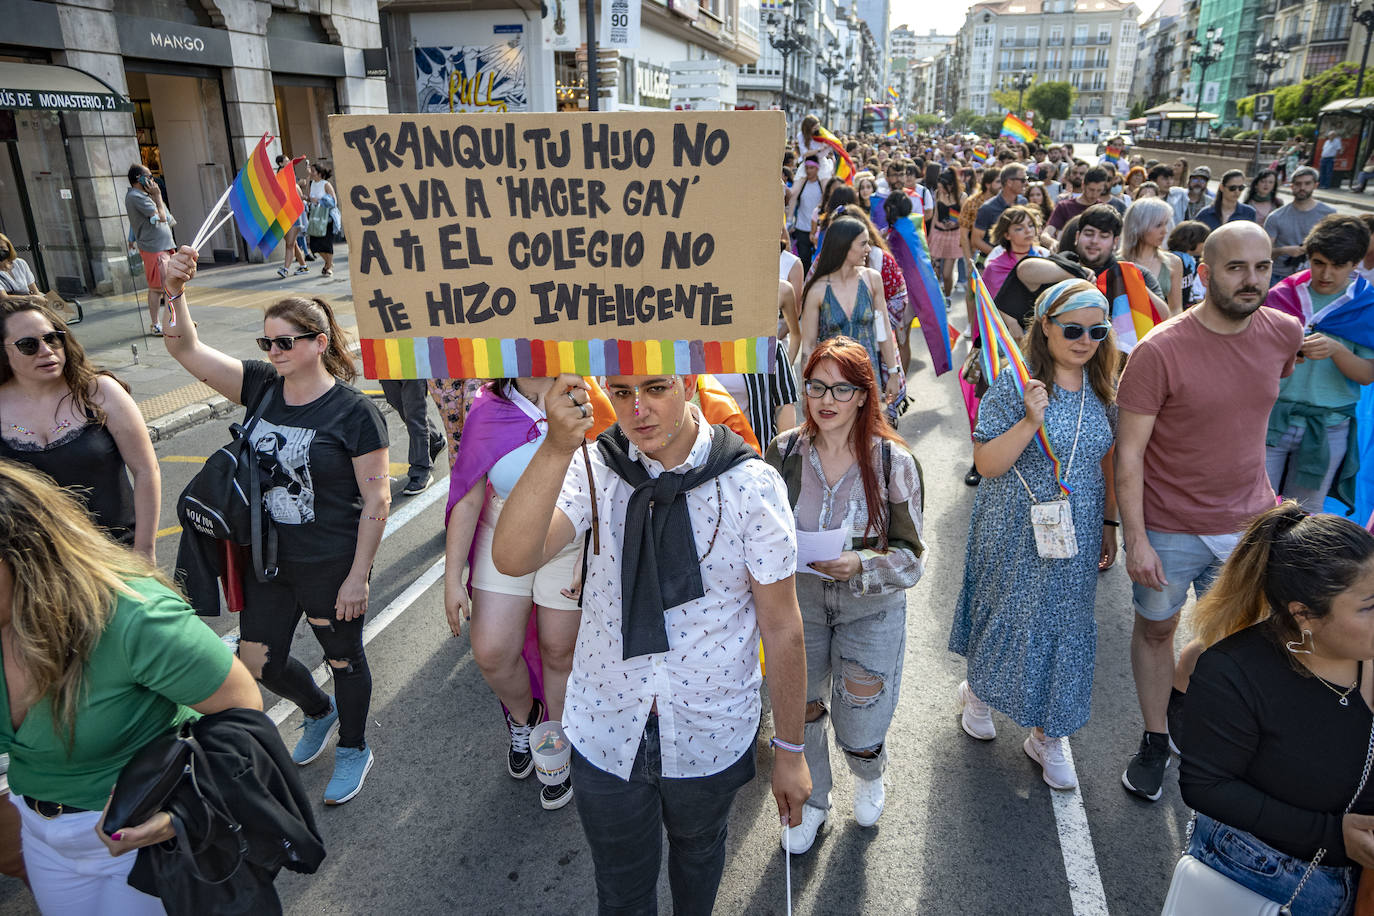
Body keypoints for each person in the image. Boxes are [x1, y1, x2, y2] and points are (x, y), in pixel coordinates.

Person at [491, 371, 810, 915]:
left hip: (710, 727)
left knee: (700, 855)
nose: (638, 409)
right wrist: (554, 448)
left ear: (688, 381)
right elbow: (514, 558)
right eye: (620, 393)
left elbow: (782, 626)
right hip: (607, 726)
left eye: (655, 388)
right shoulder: (593, 466)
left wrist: (790, 751)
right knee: (621, 890)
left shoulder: (750, 484)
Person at [161, 246, 391, 805]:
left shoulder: (354, 413)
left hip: (330, 562)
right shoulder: (262, 386)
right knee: (256, 661)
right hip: (266, 558)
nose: (274, 351)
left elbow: (377, 496)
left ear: (319, 343)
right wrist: (174, 290)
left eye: (285, 342)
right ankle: (319, 710)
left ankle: (355, 747)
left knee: (343, 658)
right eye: (267, 342)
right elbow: (184, 346)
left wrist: (359, 575)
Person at [0, 459, 262, 915]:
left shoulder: (131, 617)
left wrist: (185, 807)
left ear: (25, 556)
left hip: (140, 839)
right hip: (40, 839)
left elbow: (242, 709)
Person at [1115, 222, 1303, 802]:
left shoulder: (1284, 332)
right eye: (1235, 268)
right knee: (1158, 629)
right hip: (1169, 526)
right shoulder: (1159, 351)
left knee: (1239, 637)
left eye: (1263, 267)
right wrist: (1136, 540)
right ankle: (1153, 739)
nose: (1252, 281)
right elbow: (1129, 454)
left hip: (1249, 523)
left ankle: (1183, 694)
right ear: (1204, 271)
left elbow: (1273, 380)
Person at [950, 279, 1119, 790]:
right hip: (1013, 517)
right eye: (1072, 328)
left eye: (1096, 329)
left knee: (1066, 623)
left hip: (1080, 524)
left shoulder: (1107, 387)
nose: (1084, 338)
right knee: (1007, 609)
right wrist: (1029, 419)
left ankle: (1050, 732)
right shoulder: (1013, 384)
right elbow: (986, 462)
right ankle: (979, 692)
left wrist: (1110, 523)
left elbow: (1106, 461)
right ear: (1044, 327)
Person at [765, 337, 924, 853]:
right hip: (800, 603)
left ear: (863, 395)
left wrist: (859, 562)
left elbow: (912, 557)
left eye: (841, 388)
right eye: (816, 386)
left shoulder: (893, 461)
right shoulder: (783, 451)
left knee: (860, 719)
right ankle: (813, 802)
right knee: (802, 708)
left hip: (869, 609)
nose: (826, 399)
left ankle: (869, 769)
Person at [1179, 505, 1374, 915]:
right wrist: (1333, 835)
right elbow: (1206, 786)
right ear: (1303, 614)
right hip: (1261, 879)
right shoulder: (1232, 672)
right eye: (1368, 607)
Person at [443, 378, 599, 811]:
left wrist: (593, 555)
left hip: (571, 537)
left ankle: (555, 739)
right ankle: (523, 717)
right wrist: (452, 576)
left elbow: (610, 484)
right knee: (491, 651)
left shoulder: (586, 395)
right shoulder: (486, 408)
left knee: (558, 649)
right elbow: (468, 494)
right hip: (500, 533)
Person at [0, 298, 158, 560]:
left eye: (52, 339)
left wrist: (145, 552)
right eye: (29, 345)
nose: (46, 350)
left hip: (117, 558)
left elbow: (146, 470)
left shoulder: (99, 392)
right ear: (4, 352)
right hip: (35, 571)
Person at [1263, 214, 1374, 513]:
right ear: (1309, 257)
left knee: (1303, 514)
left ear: (1355, 264)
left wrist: (1337, 350)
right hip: (1273, 418)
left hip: (1327, 427)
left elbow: (1366, 375)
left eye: (1338, 266)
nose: (1326, 274)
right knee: (1258, 508)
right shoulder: (1281, 296)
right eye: (1319, 263)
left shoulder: (1366, 306)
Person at [798, 216, 903, 407]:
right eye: (863, 244)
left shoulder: (872, 280)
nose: (869, 249)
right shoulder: (818, 291)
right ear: (844, 246)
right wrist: (808, 390)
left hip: (867, 380)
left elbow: (884, 331)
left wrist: (894, 373)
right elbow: (808, 347)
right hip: (832, 385)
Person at [125, 164, 176, 336]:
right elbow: (161, 217)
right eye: (149, 177)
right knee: (158, 289)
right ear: (139, 178)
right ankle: (158, 324)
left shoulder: (141, 196)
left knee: (168, 287)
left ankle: (174, 320)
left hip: (162, 246)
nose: (152, 180)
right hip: (155, 249)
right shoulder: (136, 196)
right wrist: (158, 195)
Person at [1268, 167, 1337, 286]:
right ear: (1292, 186)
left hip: (1315, 276)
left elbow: (1336, 249)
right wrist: (1285, 250)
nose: (1302, 188)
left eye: (1307, 183)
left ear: (1315, 185)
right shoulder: (1276, 217)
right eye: (1298, 184)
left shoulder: (1329, 214)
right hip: (1280, 276)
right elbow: (1265, 252)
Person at [379, 379, 445, 496]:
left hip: (412, 363)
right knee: (398, 403)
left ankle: (421, 469)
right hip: (386, 363)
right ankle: (434, 441)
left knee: (414, 412)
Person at [1122, 198, 1184, 313]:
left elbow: (1176, 309)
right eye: (1158, 225)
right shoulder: (1117, 262)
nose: (1164, 231)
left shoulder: (1173, 262)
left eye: (1166, 224)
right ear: (1139, 225)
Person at [983, 205, 1047, 299]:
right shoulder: (993, 268)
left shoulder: (1045, 260)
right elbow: (986, 306)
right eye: (1019, 228)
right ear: (1007, 235)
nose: (1028, 231)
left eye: (1031, 225)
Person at [972, 164, 1028, 258]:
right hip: (993, 264)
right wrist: (1002, 257)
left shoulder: (1023, 202)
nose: (1026, 183)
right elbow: (976, 240)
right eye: (1023, 180)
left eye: (1026, 179)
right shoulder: (987, 208)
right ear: (1009, 182)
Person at [1046, 166, 1109, 242]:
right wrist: (1052, 243)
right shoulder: (1064, 207)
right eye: (1091, 189)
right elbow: (1046, 234)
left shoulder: (1104, 210)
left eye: (1099, 190)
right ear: (1083, 185)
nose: (1094, 194)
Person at [930, 168, 966, 297]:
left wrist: (956, 223)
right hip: (938, 234)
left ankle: (948, 296)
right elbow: (935, 215)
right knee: (934, 272)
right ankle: (937, 299)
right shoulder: (937, 193)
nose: (941, 190)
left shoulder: (962, 197)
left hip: (954, 236)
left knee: (946, 274)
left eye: (943, 188)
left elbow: (965, 219)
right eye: (939, 187)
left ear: (951, 185)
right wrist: (930, 236)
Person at [275, 155, 310, 279]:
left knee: (289, 244)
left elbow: (300, 198)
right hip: (284, 217)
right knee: (293, 243)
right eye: (286, 161)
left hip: (294, 217)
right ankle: (304, 266)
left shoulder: (293, 185)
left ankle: (285, 269)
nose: (289, 162)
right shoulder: (279, 183)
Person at [787, 155, 823, 266]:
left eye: (811, 168)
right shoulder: (801, 185)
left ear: (817, 169)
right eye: (806, 168)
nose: (809, 170)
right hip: (801, 228)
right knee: (804, 260)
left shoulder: (821, 185)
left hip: (817, 229)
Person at [1167, 220, 1209, 309]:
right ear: (1193, 241)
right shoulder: (1173, 261)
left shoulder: (1191, 261)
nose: (1206, 244)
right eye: (1204, 240)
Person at [306, 163, 337, 277]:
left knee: (326, 243)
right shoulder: (313, 183)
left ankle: (328, 267)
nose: (311, 173)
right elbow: (309, 196)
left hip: (326, 217)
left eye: (313, 171)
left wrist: (319, 201)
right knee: (315, 245)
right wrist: (308, 178)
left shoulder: (326, 184)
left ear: (319, 173)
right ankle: (329, 263)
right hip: (315, 217)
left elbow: (333, 201)